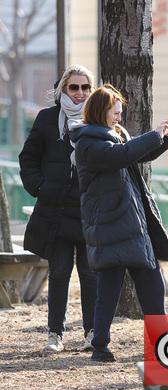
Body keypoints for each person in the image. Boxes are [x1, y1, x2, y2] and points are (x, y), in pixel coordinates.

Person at [69, 84, 168, 362]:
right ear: (99, 112)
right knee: (115, 289)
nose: (119, 117)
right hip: (111, 224)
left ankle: (110, 344)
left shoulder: (114, 136)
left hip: (129, 223)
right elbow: (123, 155)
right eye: (114, 113)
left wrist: (165, 138)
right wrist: (154, 134)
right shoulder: (88, 144)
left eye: (119, 113)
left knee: (145, 286)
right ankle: (105, 345)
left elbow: (136, 154)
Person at [19, 64, 97, 353]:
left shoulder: (99, 119)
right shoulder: (47, 119)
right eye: (73, 87)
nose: (80, 93)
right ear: (63, 89)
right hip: (56, 211)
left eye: (85, 87)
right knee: (59, 272)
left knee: (90, 274)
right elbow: (27, 159)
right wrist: (40, 187)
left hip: (89, 211)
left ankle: (92, 332)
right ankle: (55, 334)